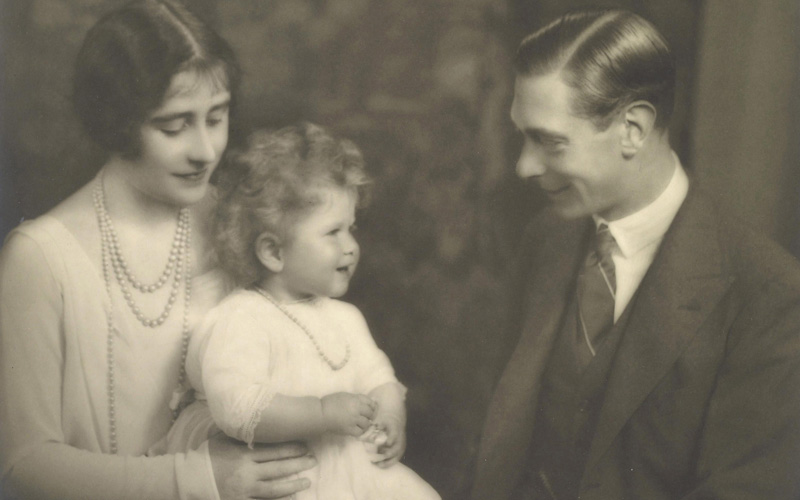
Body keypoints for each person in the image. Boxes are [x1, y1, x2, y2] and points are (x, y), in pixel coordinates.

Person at [470, 9, 800, 500]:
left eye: (550, 142)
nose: (524, 166)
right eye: (523, 135)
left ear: (633, 129)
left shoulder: (769, 294)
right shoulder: (546, 239)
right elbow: (500, 450)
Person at [0, 1, 316, 499]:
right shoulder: (40, 258)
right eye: (174, 126)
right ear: (117, 124)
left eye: (217, 117)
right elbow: (26, 459)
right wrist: (200, 478)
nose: (205, 150)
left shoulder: (240, 222)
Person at [164, 124, 441, 500]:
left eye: (351, 228)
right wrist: (322, 414)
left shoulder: (345, 318)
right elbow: (236, 408)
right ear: (273, 252)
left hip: (353, 474)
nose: (351, 246)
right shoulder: (241, 318)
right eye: (333, 233)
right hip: (290, 482)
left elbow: (380, 379)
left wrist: (391, 417)